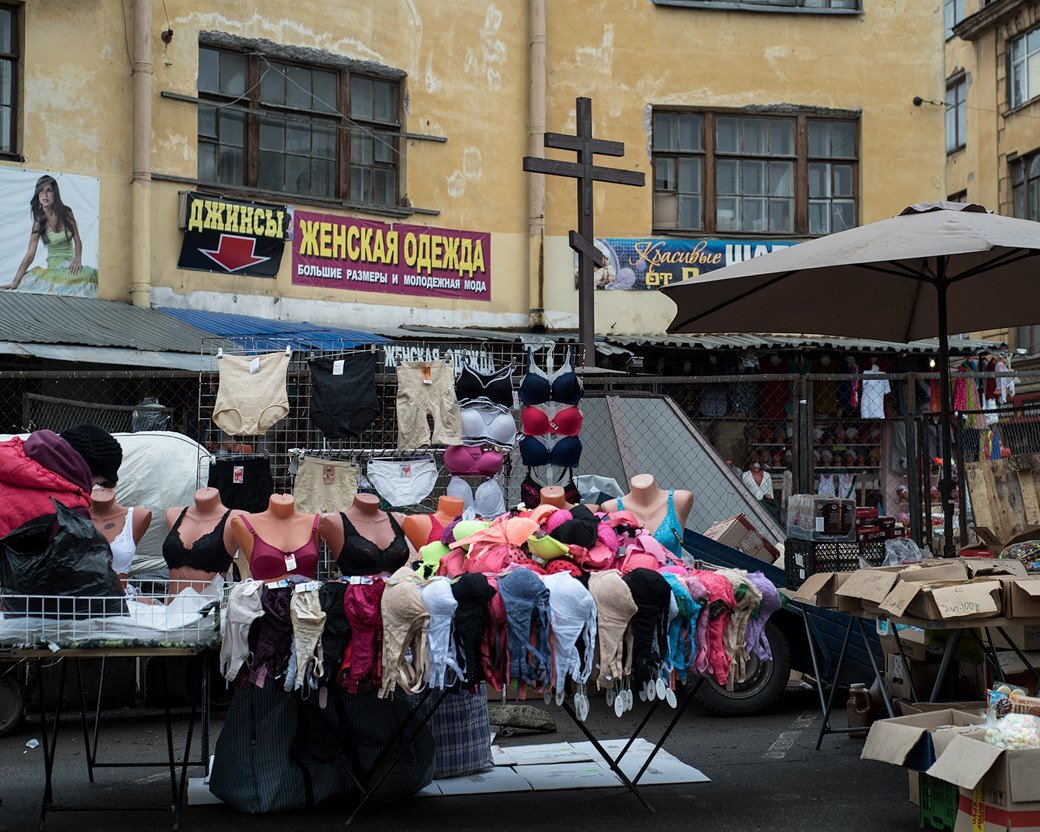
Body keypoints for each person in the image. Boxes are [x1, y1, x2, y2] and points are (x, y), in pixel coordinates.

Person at [0, 422, 123, 538]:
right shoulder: (69, 513)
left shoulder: (7, 455)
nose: (91, 491)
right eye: (97, 483)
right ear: (87, 471)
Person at [0, 175, 98, 295]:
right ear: (37, 194)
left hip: (70, 263)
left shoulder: (67, 212)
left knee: (92, 275)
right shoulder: (39, 221)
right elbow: (30, 254)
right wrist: (15, 281)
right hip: (55, 267)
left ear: (55, 194)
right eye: (41, 190)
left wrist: (78, 259)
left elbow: (77, 239)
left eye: (49, 190)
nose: (44, 194)